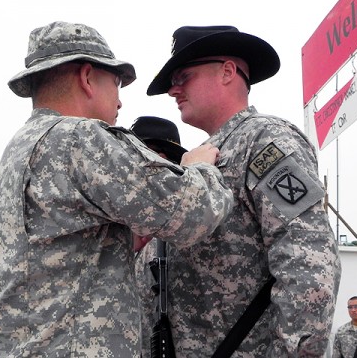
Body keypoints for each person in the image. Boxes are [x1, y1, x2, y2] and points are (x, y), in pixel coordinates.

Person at [0, 21, 233, 357]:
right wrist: (198, 167)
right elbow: (195, 212)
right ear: (87, 77)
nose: (120, 101)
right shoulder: (79, 139)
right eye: (117, 82)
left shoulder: (18, 153)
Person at [138, 25, 342, 357]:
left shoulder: (264, 142)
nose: (173, 91)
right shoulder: (198, 160)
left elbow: (309, 267)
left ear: (228, 72)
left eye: (182, 77)